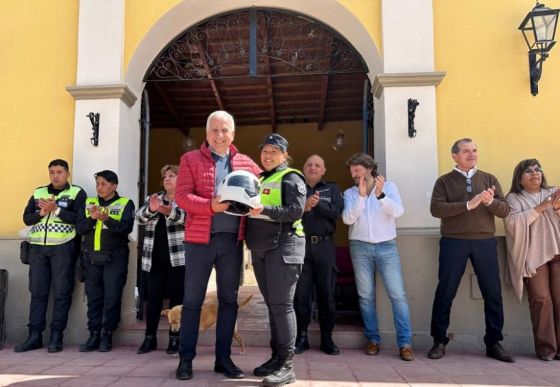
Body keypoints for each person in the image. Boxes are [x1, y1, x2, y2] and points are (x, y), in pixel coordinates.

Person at [174, 110, 261, 381]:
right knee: (192, 302)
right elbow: (182, 196)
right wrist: (210, 205)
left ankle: (223, 358)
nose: (220, 135)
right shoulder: (189, 159)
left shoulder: (247, 163)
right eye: (215, 130)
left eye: (225, 130)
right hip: (199, 241)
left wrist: (262, 204)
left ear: (233, 134)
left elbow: (263, 189)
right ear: (207, 133)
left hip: (232, 242)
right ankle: (185, 359)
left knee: (228, 301)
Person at [428, 138, 514, 362]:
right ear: (455, 155)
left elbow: (504, 210)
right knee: (445, 292)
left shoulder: (488, 178)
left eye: (474, 150)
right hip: (453, 241)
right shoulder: (444, 181)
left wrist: (488, 202)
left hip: (484, 241)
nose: (472, 154)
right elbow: (436, 209)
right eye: (466, 151)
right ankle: (439, 341)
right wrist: (469, 204)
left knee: (492, 293)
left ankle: (494, 342)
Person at [342, 152, 415, 361]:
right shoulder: (350, 193)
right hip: (360, 247)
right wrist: (362, 197)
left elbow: (399, 211)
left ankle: (405, 343)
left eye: (357, 169)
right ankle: (373, 339)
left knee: (397, 295)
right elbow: (347, 219)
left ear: (369, 169)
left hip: (387, 247)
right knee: (366, 296)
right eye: (352, 170)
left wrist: (381, 196)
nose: (353, 174)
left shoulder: (389, 187)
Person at [246, 133, 306, 387]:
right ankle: (276, 357)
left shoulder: (291, 177)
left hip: (284, 247)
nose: (268, 155)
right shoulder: (259, 179)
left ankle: (287, 365)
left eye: (274, 151)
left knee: (282, 306)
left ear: (284, 155)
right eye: (264, 151)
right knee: (273, 305)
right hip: (261, 250)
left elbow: (296, 210)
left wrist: (265, 210)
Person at [17, 159, 87, 353]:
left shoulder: (76, 193)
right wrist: (41, 212)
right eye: (52, 172)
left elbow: (80, 220)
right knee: (38, 293)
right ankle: (34, 336)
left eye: (59, 172)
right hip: (38, 248)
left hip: (63, 248)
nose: (55, 176)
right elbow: (27, 218)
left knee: (62, 293)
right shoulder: (39, 192)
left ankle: (57, 336)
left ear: (67, 174)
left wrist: (56, 209)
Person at [504, 159, 560, 361]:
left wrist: (556, 208)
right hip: (534, 257)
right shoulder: (514, 199)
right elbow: (512, 224)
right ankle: (546, 349)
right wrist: (542, 207)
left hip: (557, 252)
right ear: (519, 179)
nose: (535, 173)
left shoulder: (553, 191)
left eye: (538, 169)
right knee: (541, 300)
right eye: (528, 171)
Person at [76, 170, 135, 352]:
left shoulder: (125, 203)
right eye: (97, 184)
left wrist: (107, 219)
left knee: (112, 297)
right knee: (94, 298)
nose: (99, 188)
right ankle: (93, 334)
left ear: (114, 186)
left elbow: (126, 228)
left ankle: (107, 334)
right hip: (91, 257)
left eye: (103, 184)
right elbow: (79, 228)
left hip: (115, 257)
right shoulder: (89, 203)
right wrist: (92, 219)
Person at [293, 154, 343, 355]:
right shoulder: (295, 187)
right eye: (309, 164)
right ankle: (301, 338)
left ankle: (327, 339)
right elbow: (288, 212)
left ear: (323, 170)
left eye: (317, 165)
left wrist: (317, 204)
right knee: (301, 295)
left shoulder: (331, 188)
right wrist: (304, 204)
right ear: (303, 168)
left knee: (326, 294)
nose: (313, 167)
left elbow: (337, 213)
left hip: (324, 247)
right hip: (300, 245)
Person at [136, 165, 186, 355]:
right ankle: (150, 338)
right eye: (165, 176)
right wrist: (151, 208)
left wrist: (168, 211)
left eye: (172, 175)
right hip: (153, 258)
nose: (167, 179)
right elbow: (139, 218)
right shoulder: (153, 198)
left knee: (177, 300)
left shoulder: (185, 198)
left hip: (178, 258)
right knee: (153, 299)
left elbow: (189, 218)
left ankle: (175, 339)